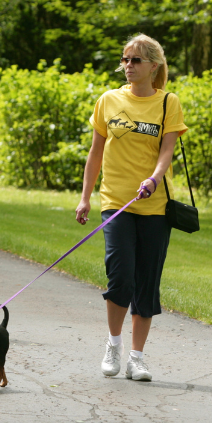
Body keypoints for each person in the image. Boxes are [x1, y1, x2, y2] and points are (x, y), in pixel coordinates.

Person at [74, 34, 188, 383]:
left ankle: (137, 358)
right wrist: (85, 196)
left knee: (146, 283)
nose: (128, 66)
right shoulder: (108, 100)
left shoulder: (169, 103)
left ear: (154, 65)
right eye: (125, 59)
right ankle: (113, 345)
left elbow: (167, 152)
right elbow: (95, 152)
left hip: (154, 206)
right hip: (116, 203)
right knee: (120, 276)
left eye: (136, 60)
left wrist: (154, 178)